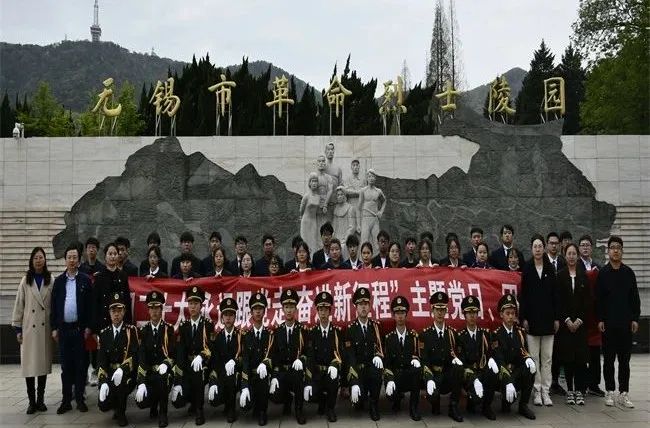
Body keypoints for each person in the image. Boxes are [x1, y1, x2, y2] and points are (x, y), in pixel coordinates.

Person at [597, 236, 640, 408]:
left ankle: (624, 392)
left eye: (618, 248)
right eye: (613, 247)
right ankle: (609, 390)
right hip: (608, 324)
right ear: (608, 251)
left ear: (622, 251)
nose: (616, 250)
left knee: (624, 361)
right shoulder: (603, 273)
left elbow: (634, 298)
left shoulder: (628, 273)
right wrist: (600, 318)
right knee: (608, 360)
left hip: (625, 323)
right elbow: (599, 299)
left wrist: (635, 318)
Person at [50, 244, 93, 414]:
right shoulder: (59, 281)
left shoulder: (85, 280)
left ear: (79, 260)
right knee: (66, 366)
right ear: (65, 260)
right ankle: (66, 400)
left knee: (81, 365)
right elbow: (54, 307)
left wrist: (89, 326)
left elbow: (89, 306)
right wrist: (54, 327)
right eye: (69, 257)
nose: (72, 260)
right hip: (64, 330)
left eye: (75, 257)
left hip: (80, 330)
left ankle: (80, 399)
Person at [12, 247, 54, 414]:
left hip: (44, 329)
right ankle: (31, 401)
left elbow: (54, 304)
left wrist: (55, 327)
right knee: (29, 366)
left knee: (42, 366)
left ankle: (40, 400)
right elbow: (19, 304)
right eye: (35, 257)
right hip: (29, 329)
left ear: (45, 260)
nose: (38, 260)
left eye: (41, 257)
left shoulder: (51, 279)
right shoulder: (25, 280)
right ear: (31, 260)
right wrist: (18, 329)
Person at [519, 234, 559, 407]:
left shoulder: (550, 268)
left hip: (548, 320)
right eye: (535, 246)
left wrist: (556, 318)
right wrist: (524, 318)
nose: (537, 249)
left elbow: (555, 295)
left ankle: (546, 391)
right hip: (532, 320)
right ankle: (536, 391)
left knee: (547, 358)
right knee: (534, 358)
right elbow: (523, 296)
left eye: (540, 246)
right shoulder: (527, 268)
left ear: (544, 248)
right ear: (531, 249)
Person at [491, 294, 536, 420]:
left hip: (516, 372)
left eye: (513, 313)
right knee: (507, 403)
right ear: (501, 314)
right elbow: (499, 360)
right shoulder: (496, 334)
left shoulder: (520, 332)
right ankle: (506, 400)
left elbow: (523, 351)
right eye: (507, 313)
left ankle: (523, 405)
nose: (511, 316)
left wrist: (528, 358)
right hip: (503, 375)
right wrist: (508, 381)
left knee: (530, 368)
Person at [420, 291, 463, 422]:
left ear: (446, 311)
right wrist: (429, 378)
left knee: (459, 368)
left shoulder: (452, 334)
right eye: (437, 309)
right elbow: (424, 360)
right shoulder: (425, 334)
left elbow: (455, 355)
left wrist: (456, 360)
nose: (439, 313)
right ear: (432, 310)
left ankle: (453, 406)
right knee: (433, 397)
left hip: (446, 374)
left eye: (442, 309)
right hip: (433, 375)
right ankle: (435, 401)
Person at [96, 292, 139, 427]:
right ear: (109, 313)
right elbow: (101, 360)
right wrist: (103, 381)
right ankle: (114, 405)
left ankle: (121, 413)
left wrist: (122, 369)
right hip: (109, 373)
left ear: (124, 312)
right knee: (103, 405)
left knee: (120, 384)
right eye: (113, 311)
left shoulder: (131, 331)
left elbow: (134, 355)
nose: (116, 314)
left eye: (119, 311)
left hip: (126, 374)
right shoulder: (104, 333)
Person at [134, 291, 175, 427]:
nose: (154, 311)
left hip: (164, 372)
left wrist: (166, 364)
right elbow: (142, 357)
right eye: (151, 308)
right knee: (141, 401)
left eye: (157, 308)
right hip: (150, 372)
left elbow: (172, 353)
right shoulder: (143, 331)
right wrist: (141, 382)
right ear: (148, 310)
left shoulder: (168, 329)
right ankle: (153, 404)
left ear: (161, 309)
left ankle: (163, 413)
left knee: (162, 378)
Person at [556, 244, 590, 406]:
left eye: (573, 253)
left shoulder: (584, 276)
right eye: (568, 253)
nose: (571, 256)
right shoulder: (560, 276)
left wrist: (579, 320)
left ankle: (579, 390)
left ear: (577, 256)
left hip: (580, 325)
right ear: (565, 256)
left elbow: (588, 301)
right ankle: (570, 389)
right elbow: (559, 301)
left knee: (580, 359)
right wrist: (567, 320)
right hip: (566, 325)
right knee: (568, 358)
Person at [173, 286, 213, 425]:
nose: (193, 307)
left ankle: (199, 409)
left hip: (203, 364)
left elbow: (210, 347)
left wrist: (201, 356)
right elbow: (181, 350)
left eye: (196, 303)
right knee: (177, 401)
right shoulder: (184, 326)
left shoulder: (207, 325)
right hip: (188, 363)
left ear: (201, 306)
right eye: (190, 303)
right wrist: (178, 378)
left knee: (198, 373)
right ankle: (192, 401)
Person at [456, 295, 498, 420]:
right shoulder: (460, 336)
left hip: (482, 371)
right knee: (476, 398)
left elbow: (490, 353)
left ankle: (487, 407)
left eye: (474, 312)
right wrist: (474, 378)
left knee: (492, 373)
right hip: (469, 374)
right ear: (464, 315)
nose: (472, 316)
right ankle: (472, 400)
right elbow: (461, 362)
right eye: (469, 313)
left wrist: (491, 360)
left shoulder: (485, 334)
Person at [269, 289, 307, 424]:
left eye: (291, 307)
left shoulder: (302, 330)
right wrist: (274, 375)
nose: (289, 310)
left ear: (296, 309)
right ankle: (287, 399)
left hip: (296, 370)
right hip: (282, 371)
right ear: (282, 309)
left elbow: (308, 352)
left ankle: (299, 409)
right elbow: (274, 355)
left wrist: (301, 360)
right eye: (286, 307)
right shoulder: (277, 331)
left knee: (298, 376)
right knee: (274, 395)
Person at [345, 287, 383, 421]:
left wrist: (378, 356)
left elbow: (380, 346)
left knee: (377, 370)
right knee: (358, 403)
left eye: (366, 304)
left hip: (371, 369)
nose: (363, 307)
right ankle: (360, 396)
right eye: (360, 304)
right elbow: (350, 356)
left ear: (370, 306)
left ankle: (374, 405)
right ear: (356, 307)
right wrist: (354, 381)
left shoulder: (375, 326)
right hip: (358, 370)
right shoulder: (350, 329)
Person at [303, 291, 342, 422]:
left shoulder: (336, 332)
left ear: (330, 311)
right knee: (310, 393)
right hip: (317, 372)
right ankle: (321, 401)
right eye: (320, 310)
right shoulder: (312, 332)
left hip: (331, 371)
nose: (323, 313)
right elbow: (310, 356)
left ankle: (330, 408)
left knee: (333, 379)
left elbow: (339, 353)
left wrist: (335, 364)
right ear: (317, 312)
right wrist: (308, 381)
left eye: (326, 310)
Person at [383, 296, 422, 421]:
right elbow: (387, 363)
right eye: (397, 313)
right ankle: (396, 399)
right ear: (393, 315)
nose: (400, 316)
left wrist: (416, 359)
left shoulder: (413, 336)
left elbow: (418, 355)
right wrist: (389, 379)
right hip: (395, 375)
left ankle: (413, 407)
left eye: (402, 313)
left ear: (406, 314)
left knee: (417, 371)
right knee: (391, 395)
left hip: (408, 375)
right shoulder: (389, 338)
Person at [239, 292, 274, 426]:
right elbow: (245, 361)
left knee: (263, 378)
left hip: (264, 376)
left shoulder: (269, 334)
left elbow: (271, 355)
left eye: (260, 309)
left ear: (264, 312)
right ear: (251, 312)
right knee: (245, 405)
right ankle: (254, 405)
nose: (258, 312)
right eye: (255, 309)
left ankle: (262, 411)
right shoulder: (246, 335)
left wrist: (265, 364)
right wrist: (244, 386)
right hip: (251, 375)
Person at [578, 235, 605, 397]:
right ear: (579, 248)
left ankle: (594, 384)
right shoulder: (575, 266)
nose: (585, 247)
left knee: (595, 353)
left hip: (595, 316)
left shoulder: (598, 267)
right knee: (582, 353)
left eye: (588, 245)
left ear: (592, 247)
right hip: (581, 315)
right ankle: (581, 385)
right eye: (582, 245)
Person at [207, 297, 242, 423]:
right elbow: (215, 361)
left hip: (237, 374)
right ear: (222, 317)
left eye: (231, 315)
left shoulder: (241, 336)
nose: (228, 318)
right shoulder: (217, 338)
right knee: (214, 399)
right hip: (222, 374)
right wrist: (213, 381)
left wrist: (235, 361)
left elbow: (244, 357)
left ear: (235, 317)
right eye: (225, 315)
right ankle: (226, 403)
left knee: (231, 376)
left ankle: (231, 408)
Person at [93, 243, 132, 336]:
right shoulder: (99, 277)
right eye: (110, 254)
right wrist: (94, 329)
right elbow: (95, 303)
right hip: (104, 323)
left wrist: (129, 323)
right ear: (105, 257)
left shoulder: (123, 276)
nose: (113, 256)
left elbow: (127, 301)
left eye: (115, 254)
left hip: (121, 323)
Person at [358, 169, 386, 252]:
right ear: (367, 178)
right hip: (365, 218)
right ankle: (363, 259)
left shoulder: (378, 191)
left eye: (373, 176)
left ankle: (377, 259)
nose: (371, 178)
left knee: (377, 242)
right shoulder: (363, 191)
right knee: (364, 241)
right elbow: (359, 207)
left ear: (375, 178)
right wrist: (358, 224)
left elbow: (384, 201)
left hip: (374, 219)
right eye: (369, 176)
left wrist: (381, 212)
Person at [300, 173, 323, 254]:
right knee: (305, 240)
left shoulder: (318, 197)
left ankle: (313, 257)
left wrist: (323, 208)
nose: (314, 183)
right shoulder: (306, 196)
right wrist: (301, 217)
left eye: (316, 181)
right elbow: (301, 209)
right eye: (312, 181)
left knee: (313, 240)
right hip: (306, 221)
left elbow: (318, 210)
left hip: (313, 221)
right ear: (309, 183)